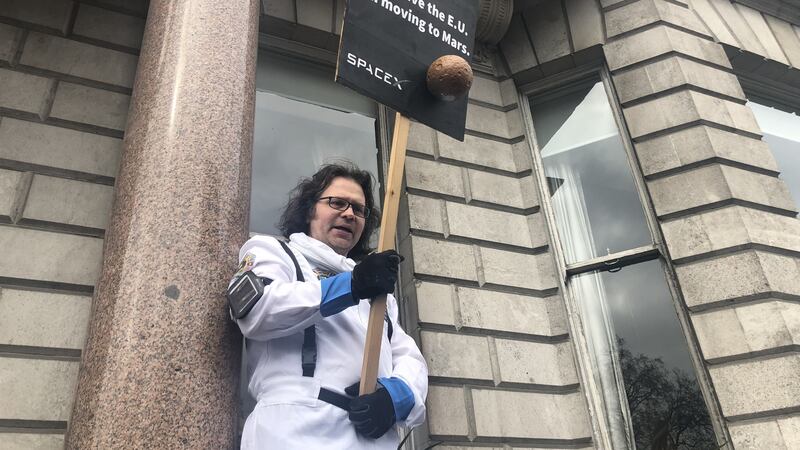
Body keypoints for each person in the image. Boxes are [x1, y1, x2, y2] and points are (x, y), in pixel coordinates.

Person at [230, 163, 428, 449]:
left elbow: (411, 359)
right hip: (295, 430)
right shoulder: (275, 252)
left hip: (373, 437)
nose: (349, 214)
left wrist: (394, 396)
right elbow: (258, 310)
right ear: (310, 209)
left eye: (359, 210)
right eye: (337, 203)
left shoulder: (381, 296)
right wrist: (350, 287)